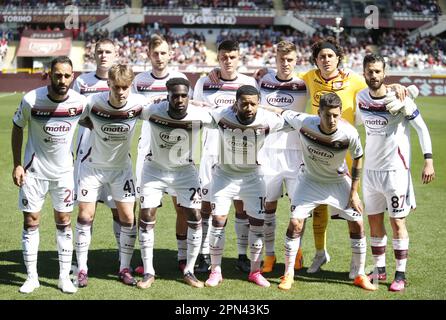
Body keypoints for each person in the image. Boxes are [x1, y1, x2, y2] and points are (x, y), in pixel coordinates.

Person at [262, 92, 376, 291]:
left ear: (340, 113)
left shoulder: (349, 133)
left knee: (357, 223)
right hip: (309, 181)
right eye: (327, 115)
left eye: (335, 115)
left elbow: (358, 157)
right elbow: (280, 111)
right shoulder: (305, 122)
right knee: (295, 223)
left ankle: (359, 275)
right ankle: (288, 274)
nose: (331, 120)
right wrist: (258, 106)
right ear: (319, 113)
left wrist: (354, 192)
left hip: (337, 181)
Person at [356, 54, 435, 291]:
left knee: (397, 222)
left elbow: (422, 129)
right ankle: (379, 270)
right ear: (364, 72)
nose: (374, 76)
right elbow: (356, 122)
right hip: (370, 172)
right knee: (374, 222)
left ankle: (400, 274)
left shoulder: (399, 98)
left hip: (395, 171)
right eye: (370, 71)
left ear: (385, 72)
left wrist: (428, 161)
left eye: (378, 71)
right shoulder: (361, 97)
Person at [11, 56, 85, 294]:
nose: (62, 80)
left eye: (66, 75)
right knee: (31, 221)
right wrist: (17, 164)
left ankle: (64, 277)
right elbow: (17, 126)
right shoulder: (31, 100)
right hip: (34, 173)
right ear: (49, 75)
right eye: (58, 75)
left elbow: (95, 122)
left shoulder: (80, 102)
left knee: (64, 222)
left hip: (64, 174)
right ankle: (32, 277)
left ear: (72, 76)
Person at [204, 85, 285, 288]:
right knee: (218, 221)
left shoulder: (268, 119)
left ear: (259, 103)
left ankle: (254, 272)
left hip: (253, 178)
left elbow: (296, 122)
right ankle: (215, 270)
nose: (249, 108)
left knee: (258, 224)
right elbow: (200, 112)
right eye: (244, 103)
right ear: (236, 103)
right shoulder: (221, 115)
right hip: (224, 176)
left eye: (253, 104)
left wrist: (279, 110)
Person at [136, 77, 213, 289]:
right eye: (175, 96)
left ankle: (189, 270)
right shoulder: (153, 110)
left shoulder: (200, 115)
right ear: (167, 96)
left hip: (185, 171)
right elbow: (129, 106)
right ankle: (149, 271)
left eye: (183, 96)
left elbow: (224, 116)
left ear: (189, 96)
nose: (179, 100)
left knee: (195, 216)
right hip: (154, 170)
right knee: (146, 215)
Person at [74, 64, 144, 287]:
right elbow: (75, 114)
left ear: (130, 85)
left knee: (128, 218)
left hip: (121, 170)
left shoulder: (138, 103)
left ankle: (124, 267)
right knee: (85, 216)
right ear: (108, 84)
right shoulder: (93, 103)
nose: (121, 92)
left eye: (125, 87)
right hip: (92, 168)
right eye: (116, 87)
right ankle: (82, 268)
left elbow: (164, 106)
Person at [194, 39, 258, 273]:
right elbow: (197, 111)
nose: (228, 61)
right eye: (223, 57)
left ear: (239, 58)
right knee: (206, 206)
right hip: (210, 152)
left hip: (240, 152)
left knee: (241, 205)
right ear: (218, 58)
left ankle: (242, 255)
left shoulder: (249, 82)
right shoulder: (204, 82)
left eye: (232, 57)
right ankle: (203, 254)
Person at [132, 34, 192, 274]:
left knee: (181, 206)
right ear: (148, 55)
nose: (159, 58)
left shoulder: (181, 79)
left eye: (163, 53)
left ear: (171, 55)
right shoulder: (140, 81)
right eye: (155, 53)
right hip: (147, 149)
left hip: (176, 150)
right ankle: (145, 260)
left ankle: (182, 255)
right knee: (146, 208)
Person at [257, 40, 307, 273]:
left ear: (296, 60)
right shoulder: (264, 81)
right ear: (275, 60)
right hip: (268, 151)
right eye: (281, 60)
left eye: (290, 60)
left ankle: (296, 251)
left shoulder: (304, 84)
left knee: (299, 209)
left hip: (297, 153)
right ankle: (269, 255)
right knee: (268, 206)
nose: (285, 64)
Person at [72, 38, 120, 265]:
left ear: (116, 54)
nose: (103, 55)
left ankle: (124, 257)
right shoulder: (82, 81)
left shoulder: (122, 80)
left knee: (118, 210)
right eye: (99, 51)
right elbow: (70, 110)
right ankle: (81, 261)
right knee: (85, 212)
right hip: (86, 155)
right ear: (94, 54)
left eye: (108, 52)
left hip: (115, 157)